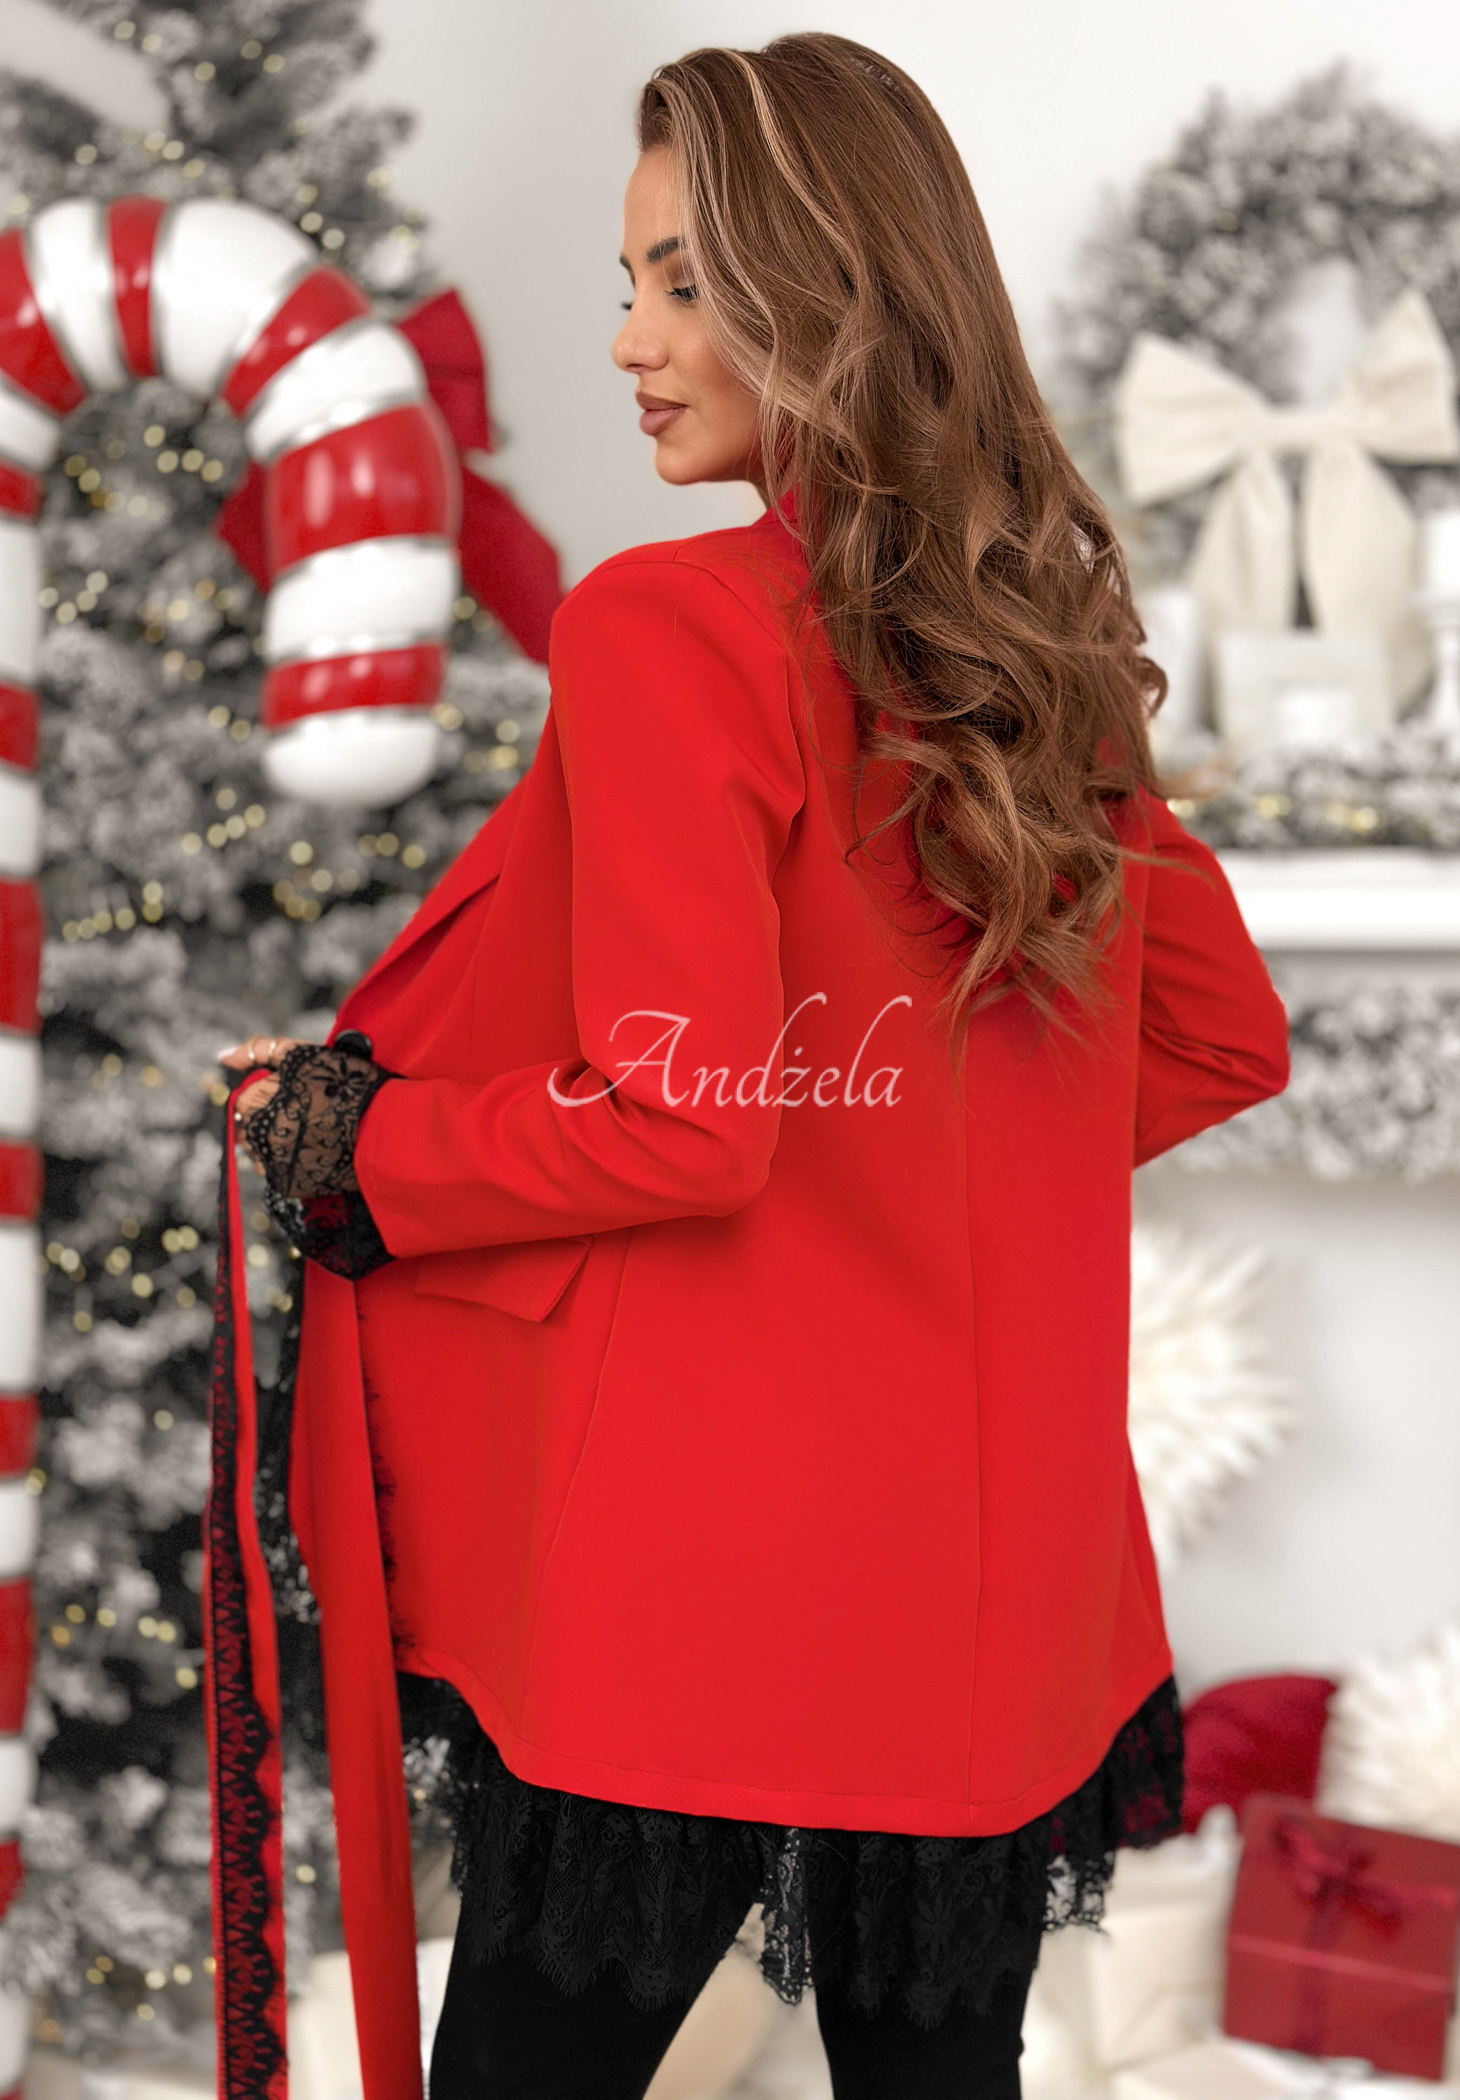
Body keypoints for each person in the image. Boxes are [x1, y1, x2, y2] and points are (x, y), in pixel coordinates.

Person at [218, 32, 1289, 2100]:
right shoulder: (1030, 643)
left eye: (685, 283)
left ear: (836, 293)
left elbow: (689, 1125)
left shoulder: (672, 628)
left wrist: (360, 1150)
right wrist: (941, 1159)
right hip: (991, 1601)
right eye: (629, 282)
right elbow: (1215, 1035)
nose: (629, 339)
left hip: (699, 1578)